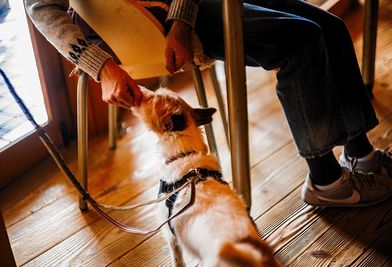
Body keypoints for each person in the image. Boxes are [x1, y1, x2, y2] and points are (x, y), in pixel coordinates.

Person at [24, 0, 392, 207]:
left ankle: (360, 154)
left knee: (329, 26)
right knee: (302, 40)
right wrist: (99, 66)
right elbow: (40, 5)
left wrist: (182, 18)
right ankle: (326, 181)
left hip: (182, 8)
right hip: (139, 23)